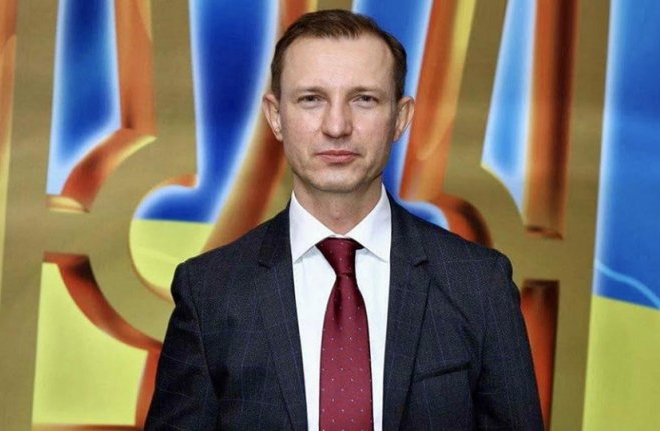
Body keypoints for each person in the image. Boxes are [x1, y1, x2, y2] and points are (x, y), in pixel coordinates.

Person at [145, 9, 542, 431]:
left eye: (364, 99)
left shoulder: (479, 285)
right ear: (276, 116)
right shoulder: (209, 292)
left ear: (400, 118)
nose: (337, 126)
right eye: (311, 99)